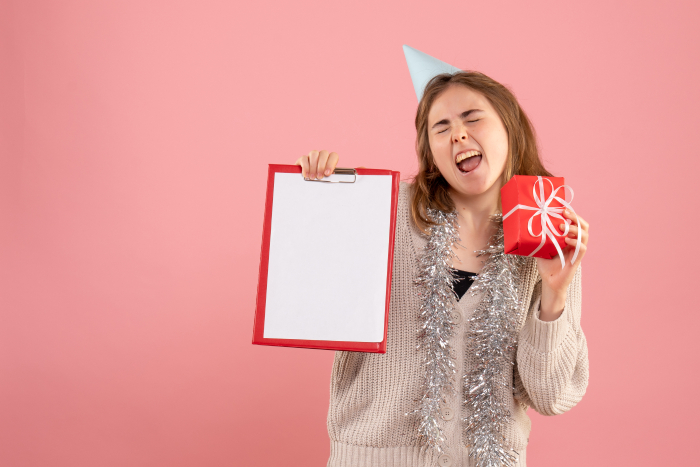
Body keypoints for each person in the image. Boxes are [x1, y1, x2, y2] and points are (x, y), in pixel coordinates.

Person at [293, 70, 590, 467]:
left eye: (472, 117)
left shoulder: (548, 229)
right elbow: (312, 300)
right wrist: (315, 197)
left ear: (509, 127)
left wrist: (555, 293)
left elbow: (549, 396)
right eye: (442, 127)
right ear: (430, 150)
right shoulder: (381, 210)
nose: (459, 135)